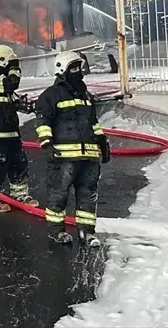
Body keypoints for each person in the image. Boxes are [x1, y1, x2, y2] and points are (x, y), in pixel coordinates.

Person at [34, 51, 110, 247]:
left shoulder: (85, 95)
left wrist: (102, 140)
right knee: (59, 195)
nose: (79, 72)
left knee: (88, 195)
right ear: (62, 71)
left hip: (89, 158)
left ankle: (87, 233)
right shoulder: (51, 95)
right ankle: (56, 231)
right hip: (64, 158)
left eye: (79, 68)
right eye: (74, 68)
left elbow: (93, 122)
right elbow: (43, 121)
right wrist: (47, 143)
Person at [0, 45, 39, 212]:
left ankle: (19, 194)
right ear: (2, 60)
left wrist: (27, 106)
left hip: (10, 129)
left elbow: (11, 99)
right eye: (10, 62)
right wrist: (15, 68)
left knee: (19, 161)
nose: (12, 66)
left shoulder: (0, 81)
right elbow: (12, 83)